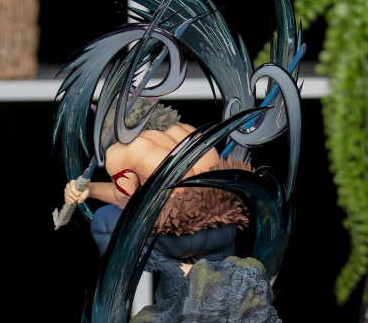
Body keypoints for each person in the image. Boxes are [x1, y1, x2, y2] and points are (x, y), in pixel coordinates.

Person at [64, 99, 251, 299]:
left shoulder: (121, 151)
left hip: (181, 237)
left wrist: (91, 189)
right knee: (169, 300)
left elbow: (127, 202)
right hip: (223, 232)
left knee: (103, 221)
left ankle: (174, 270)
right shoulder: (186, 130)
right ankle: (197, 276)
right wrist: (89, 189)